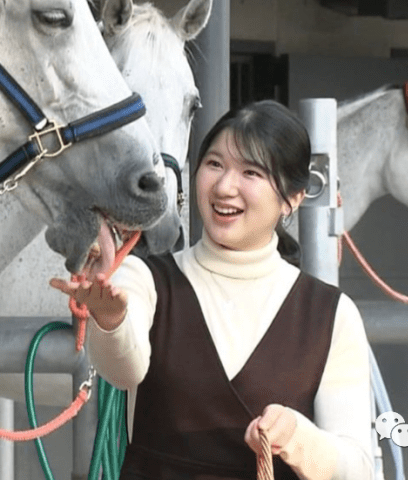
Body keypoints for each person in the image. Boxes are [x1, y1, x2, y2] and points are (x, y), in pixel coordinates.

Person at [51, 100, 373, 480]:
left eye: (251, 172)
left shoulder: (330, 314)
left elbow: (358, 469)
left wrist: (297, 437)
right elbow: (124, 371)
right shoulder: (145, 279)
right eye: (215, 164)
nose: (224, 187)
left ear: (292, 198)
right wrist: (110, 321)